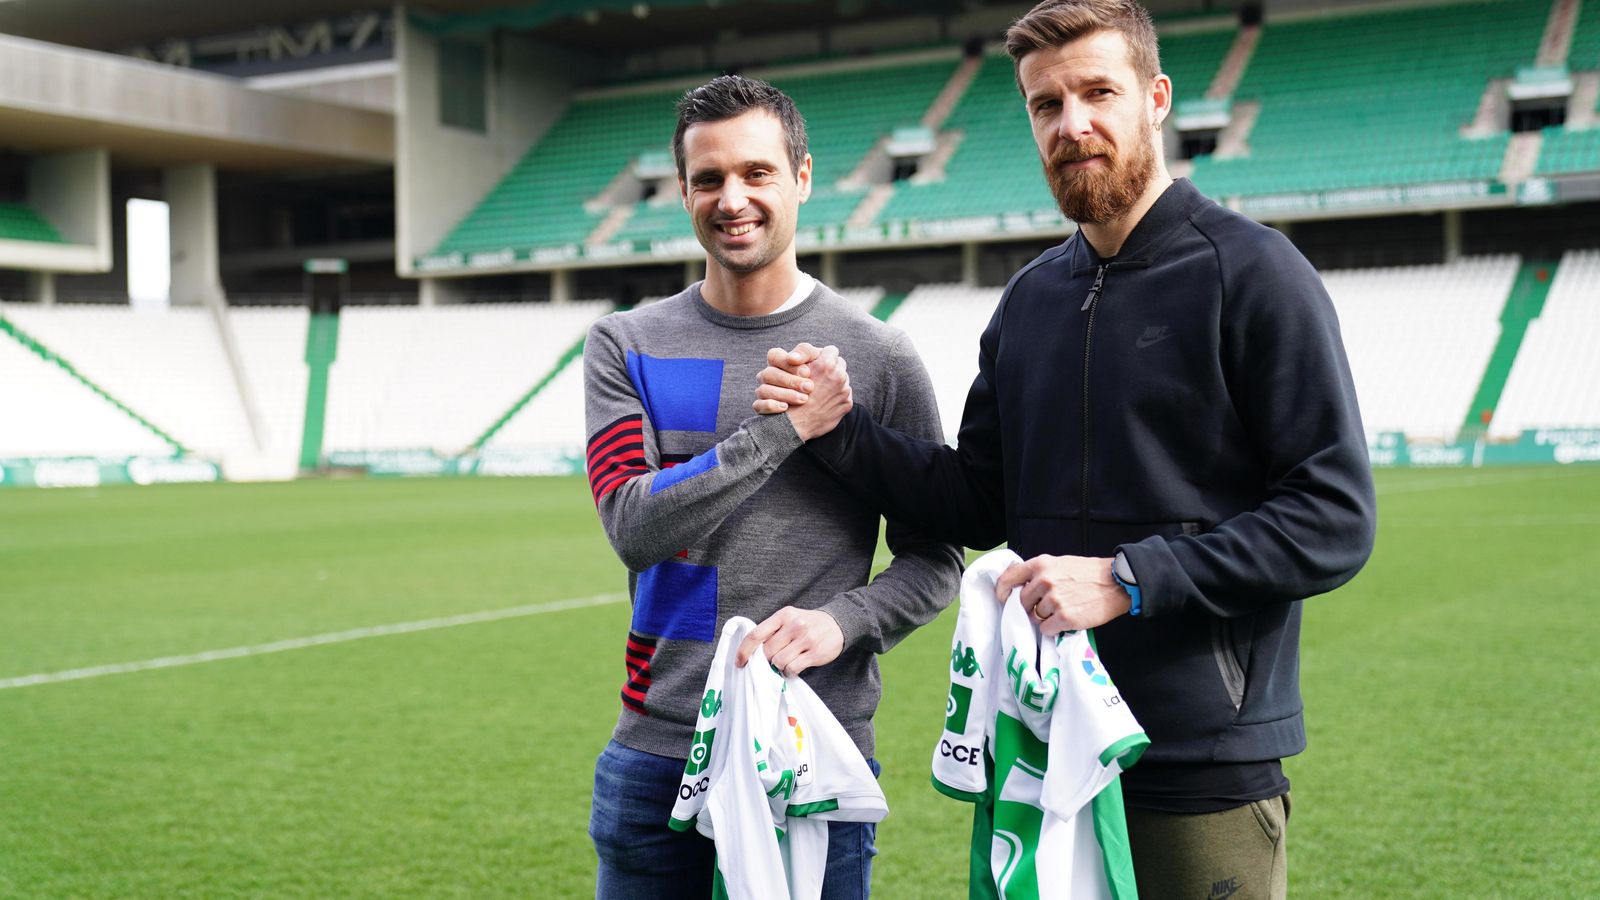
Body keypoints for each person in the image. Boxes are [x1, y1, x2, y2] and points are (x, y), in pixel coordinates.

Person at [753, 2, 1377, 897]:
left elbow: (1335, 518)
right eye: (1047, 105)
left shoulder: (1255, 273)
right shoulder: (1030, 301)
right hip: (1042, 747)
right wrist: (838, 432)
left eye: (1098, 93)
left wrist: (1129, 579)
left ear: (1155, 99)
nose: (1072, 124)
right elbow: (975, 498)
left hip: (1195, 768)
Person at [583, 74, 962, 900]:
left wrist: (844, 621)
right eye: (709, 178)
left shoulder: (879, 355)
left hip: (814, 746)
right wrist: (786, 429)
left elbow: (937, 556)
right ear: (683, 191)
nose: (733, 198)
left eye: (756, 173)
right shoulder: (625, 344)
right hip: (656, 755)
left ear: (802, 178)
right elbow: (633, 525)